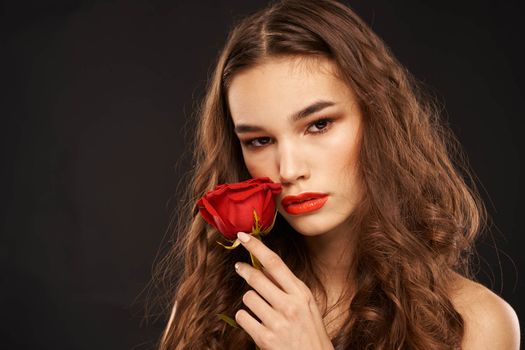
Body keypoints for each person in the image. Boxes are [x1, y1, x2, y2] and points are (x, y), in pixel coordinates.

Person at [155, 0, 520, 349]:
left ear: (378, 119)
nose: (289, 170)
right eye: (260, 140)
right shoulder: (207, 310)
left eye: (319, 125)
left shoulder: (475, 322)